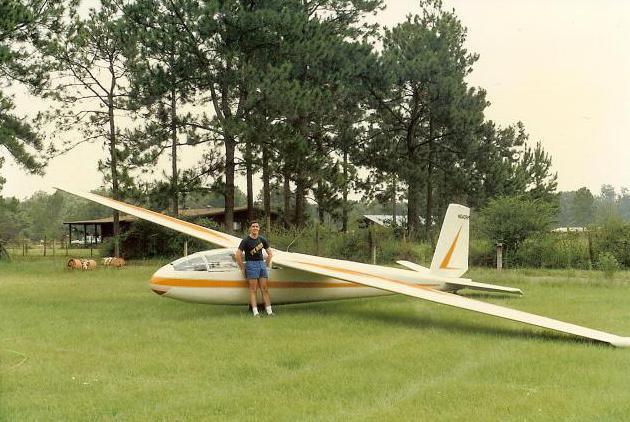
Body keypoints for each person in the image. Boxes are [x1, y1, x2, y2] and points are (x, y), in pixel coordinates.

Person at [236, 221, 273, 317]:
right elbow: (238, 255)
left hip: (261, 264)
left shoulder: (262, 239)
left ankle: (269, 311)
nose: (255, 228)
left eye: (257, 226)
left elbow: (270, 253)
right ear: (250, 228)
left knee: (264, 288)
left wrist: (266, 264)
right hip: (251, 265)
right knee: (253, 289)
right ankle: (255, 312)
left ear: (259, 228)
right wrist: (242, 268)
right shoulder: (245, 240)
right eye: (253, 226)